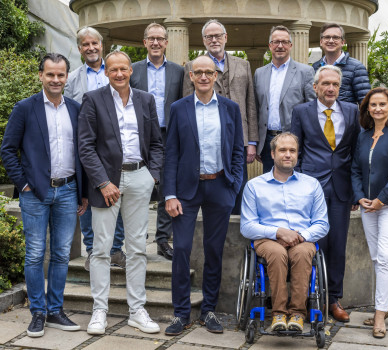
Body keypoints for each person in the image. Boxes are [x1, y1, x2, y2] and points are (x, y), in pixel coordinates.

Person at [0, 53, 88, 337]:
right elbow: (7, 150)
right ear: (41, 75)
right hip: (35, 193)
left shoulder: (75, 108)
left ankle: (55, 310)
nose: (55, 80)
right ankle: (37, 312)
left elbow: (83, 152)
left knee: (62, 254)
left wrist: (82, 192)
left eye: (61, 75)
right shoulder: (25, 108)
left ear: (67, 77)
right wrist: (24, 185)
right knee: (36, 254)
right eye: (50, 74)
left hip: (68, 190)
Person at [77, 51, 164, 335]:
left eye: (123, 69)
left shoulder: (145, 99)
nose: (118, 74)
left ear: (131, 71)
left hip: (139, 176)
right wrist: (102, 182)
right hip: (106, 181)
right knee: (101, 249)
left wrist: (152, 176)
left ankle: (137, 310)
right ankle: (99, 310)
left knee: (137, 247)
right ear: (106, 71)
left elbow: (156, 143)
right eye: (113, 69)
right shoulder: (93, 100)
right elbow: (86, 146)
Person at [164, 55, 244, 335]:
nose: (203, 77)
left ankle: (209, 310)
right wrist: (169, 194)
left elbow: (237, 149)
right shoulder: (179, 108)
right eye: (198, 72)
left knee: (214, 251)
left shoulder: (231, 109)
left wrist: (234, 184)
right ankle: (181, 313)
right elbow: (171, 153)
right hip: (186, 190)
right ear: (190, 76)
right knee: (182, 249)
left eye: (209, 72)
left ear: (216, 75)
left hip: (220, 186)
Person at [290, 65, 360, 323]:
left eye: (335, 85)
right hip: (310, 187)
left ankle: (333, 299)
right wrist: (295, 185)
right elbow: (294, 150)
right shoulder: (301, 112)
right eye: (326, 84)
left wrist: (356, 191)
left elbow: (356, 154)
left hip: (342, 188)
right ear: (315, 87)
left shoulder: (352, 111)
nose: (331, 88)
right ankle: (309, 299)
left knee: (338, 245)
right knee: (311, 245)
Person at [240, 132, 329, 332]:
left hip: (302, 240)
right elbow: (247, 226)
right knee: (277, 252)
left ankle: (297, 313)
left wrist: (299, 236)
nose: (287, 154)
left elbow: (322, 223)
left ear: (297, 155)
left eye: (292, 150)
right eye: (282, 150)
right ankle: (279, 313)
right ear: (272, 154)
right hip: (268, 240)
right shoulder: (254, 186)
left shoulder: (311, 185)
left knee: (303, 253)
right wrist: (279, 232)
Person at [64, 26, 127, 270]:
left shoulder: (115, 71)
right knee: (89, 200)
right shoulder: (72, 80)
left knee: (117, 197)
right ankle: (92, 250)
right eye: (85, 44)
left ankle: (115, 250)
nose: (90, 48)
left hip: (115, 147)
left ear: (102, 45)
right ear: (80, 49)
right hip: (87, 147)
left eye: (94, 43)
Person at [351, 87, 388, 338]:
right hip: (367, 206)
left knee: (385, 256)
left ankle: (379, 315)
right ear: (367, 109)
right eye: (372, 105)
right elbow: (355, 169)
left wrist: (381, 200)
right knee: (377, 257)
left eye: (382, 105)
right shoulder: (363, 136)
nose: (377, 109)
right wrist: (359, 197)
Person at [183, 19, 258, 215]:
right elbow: (186, 105)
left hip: (239, 139)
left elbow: (250, 105)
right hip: (206, 138)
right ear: (204, 40)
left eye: (218, 36)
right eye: (209, 36)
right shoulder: (192, 66)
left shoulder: (244, 65)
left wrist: (251, 141)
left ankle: (235, 232)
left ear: (226, 38)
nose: (214, 40)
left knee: (238, 186)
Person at [129, 22, 184, 260]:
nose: (155, 43)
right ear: (144, 42)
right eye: (151, 38)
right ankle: (137, 239)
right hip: (139, 137)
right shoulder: (132, 70)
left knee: (166, 188)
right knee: (136, 187)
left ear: (166, 42)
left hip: (168, 135)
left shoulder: (178, 72)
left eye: (160, 38)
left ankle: (162, 239)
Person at [254, 25, 316, 173]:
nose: (280, 46)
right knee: (271, 186)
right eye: (276, 42)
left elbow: (312, 108)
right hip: (268, 141)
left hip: (294, 140)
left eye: (284, 42)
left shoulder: (305, 71)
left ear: (291, 45)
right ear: (270, 45)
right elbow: (256, 108)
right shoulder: (259, 73)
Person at [312, 23, 371, 104]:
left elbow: (365, 101)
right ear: (321, 42)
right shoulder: (315, 67)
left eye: (336, 37)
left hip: (346, 116)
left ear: (343, 42)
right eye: (327, 37)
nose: (331, 41)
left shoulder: (356, 67)